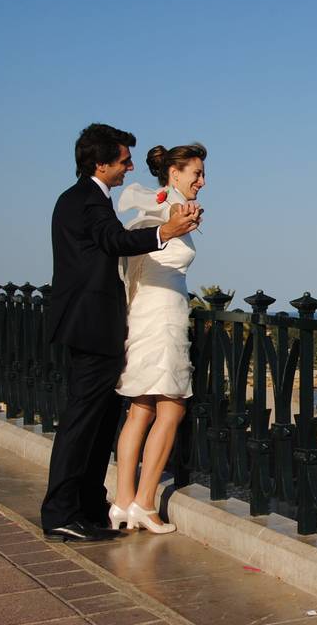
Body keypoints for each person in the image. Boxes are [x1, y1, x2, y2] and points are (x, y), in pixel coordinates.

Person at [41, 124, 201, 542]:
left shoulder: (85, 199)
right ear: (102, 163)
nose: (131, 166)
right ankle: (60, 511)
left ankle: (91, 506)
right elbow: (115, 241)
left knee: (99, 421)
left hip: (99, 325)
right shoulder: (86, 202)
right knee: (80, 423)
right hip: (91, 325)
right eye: (124, 160)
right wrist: (165, 232)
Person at [110, 143, 206, 534]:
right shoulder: (170, 209)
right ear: (174, 173)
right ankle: (146, 504)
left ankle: (122, 501)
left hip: (145, 315)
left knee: (141, 410)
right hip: (163, 317)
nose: (202, 181)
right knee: (171, 408)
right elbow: (163, 229)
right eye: (195, 173)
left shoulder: (156, 206)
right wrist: (180, 219)